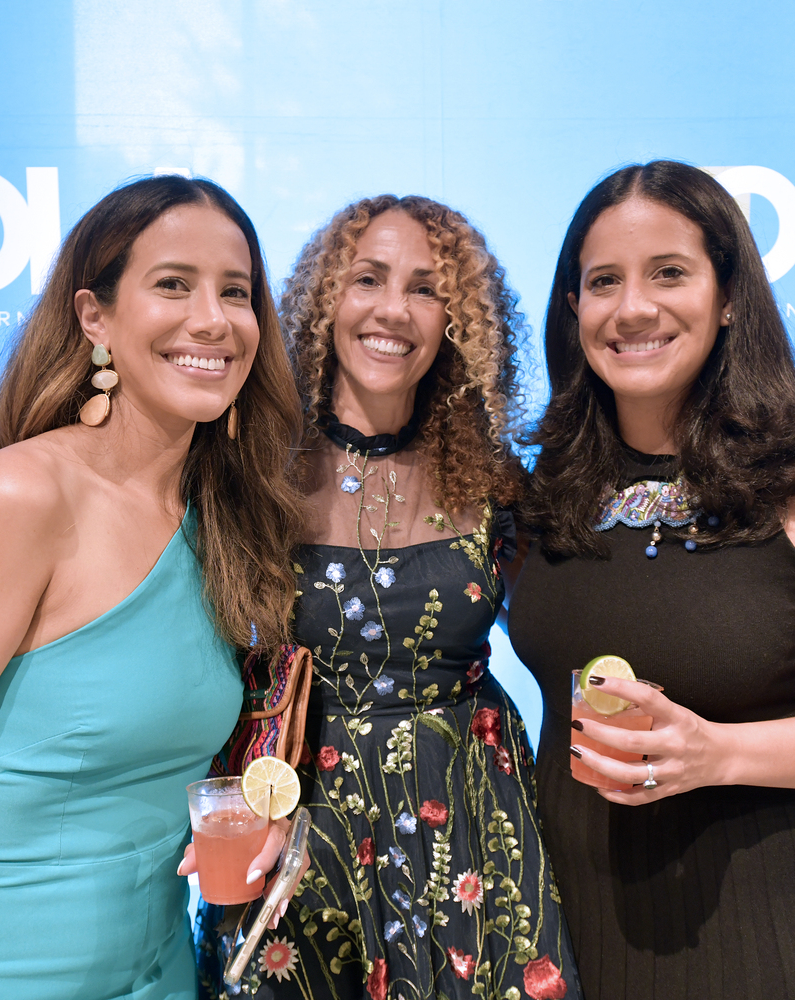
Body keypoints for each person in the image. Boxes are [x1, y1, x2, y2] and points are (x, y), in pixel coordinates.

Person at [0, 175, 308, 1000]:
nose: (213, 318)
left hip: (164, 974)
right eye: (173, 284)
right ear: (95, 317)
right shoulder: (22, 498)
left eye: (235, 293)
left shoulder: (220, 520)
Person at [507, 160, 795, 1000]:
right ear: (574, 309)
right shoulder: (545, 491)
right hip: (571, 939)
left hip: (770, 939)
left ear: (729, 299)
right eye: (604, 281)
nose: (633, 306)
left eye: (669, 273)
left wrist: (719, 753)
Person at [199, 196, 581, 1000]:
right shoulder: (251, 470)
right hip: (298, 828)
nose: (392, 311)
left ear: (457, 322)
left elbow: (577, 623)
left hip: (471, 821)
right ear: (324, 301)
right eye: (368, 279)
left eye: (425, 288)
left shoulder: (499, 481)